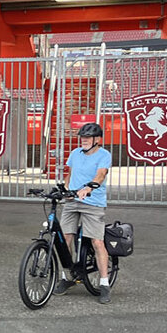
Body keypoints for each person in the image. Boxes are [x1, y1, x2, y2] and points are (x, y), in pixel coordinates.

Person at [54, 123, 114, 304]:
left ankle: (104, 283)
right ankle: (67, 276)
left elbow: (101, 175)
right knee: (64, 239)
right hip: (72, 202)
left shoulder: (104, 155)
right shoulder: (75, 154)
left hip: (92, 203)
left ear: (98, 140)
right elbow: (70, 175)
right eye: (82, 137)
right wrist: (63, 189)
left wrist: (89, 188)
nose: (84, 140)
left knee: (96, 241)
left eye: (87, 138)